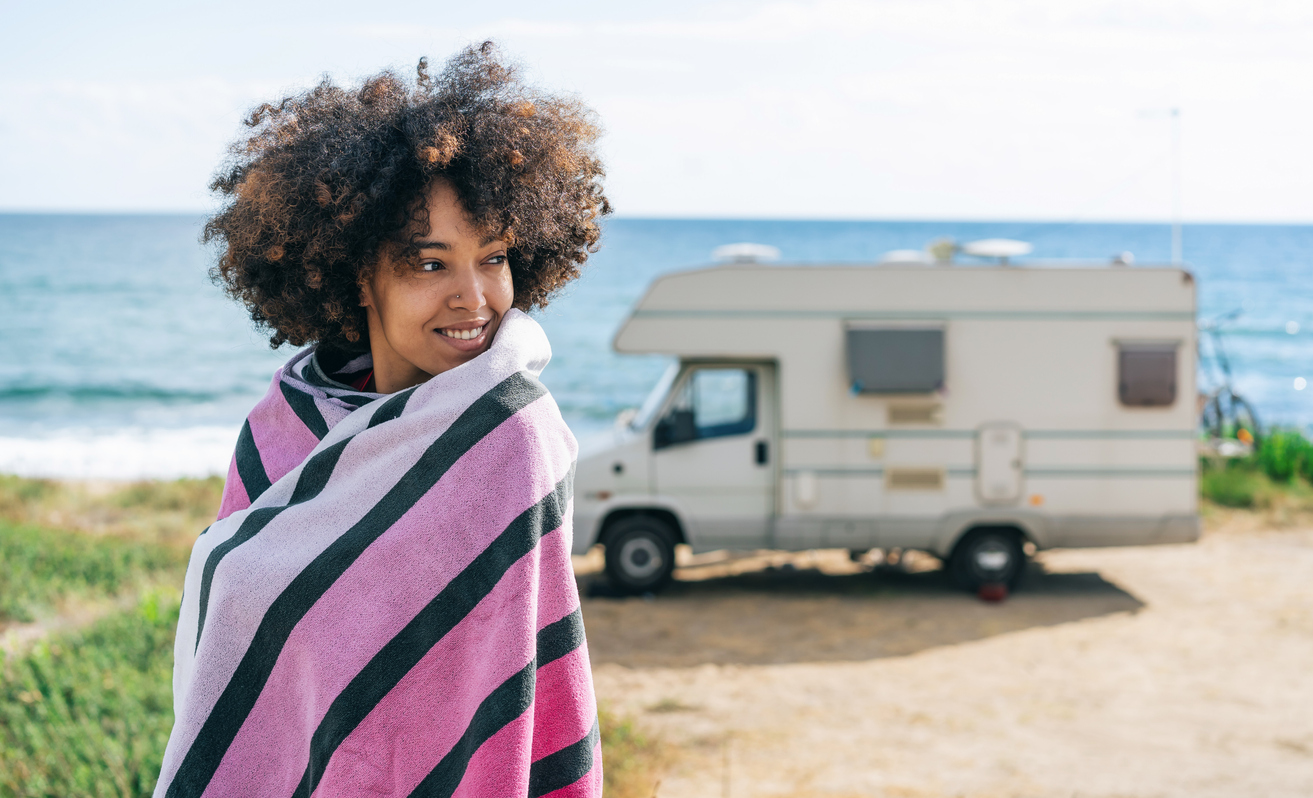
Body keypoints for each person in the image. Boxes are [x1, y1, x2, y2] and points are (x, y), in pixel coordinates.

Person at [154, 43, 609, 798]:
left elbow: (516, 682)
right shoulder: (284, 426)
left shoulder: (511, 435)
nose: (475, 298)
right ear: (358, 276)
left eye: (492, 257)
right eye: (430, 264)